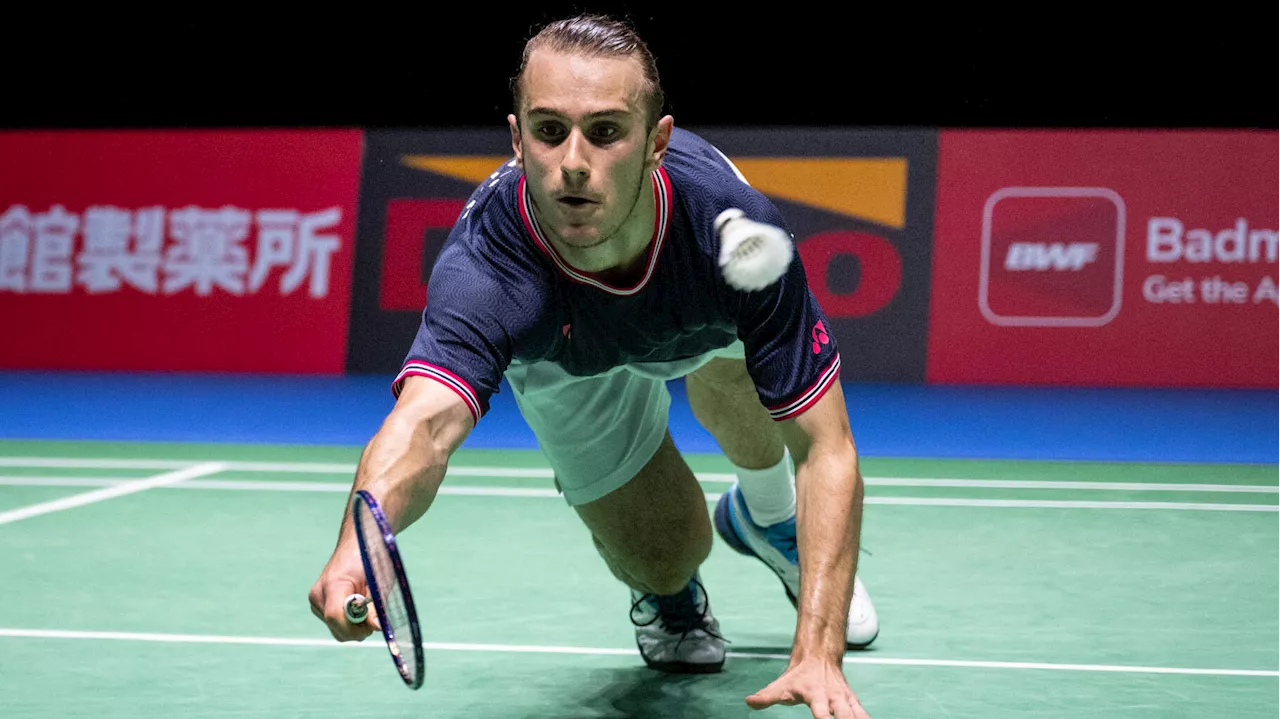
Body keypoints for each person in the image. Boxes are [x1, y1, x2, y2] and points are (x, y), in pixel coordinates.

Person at [309, 13, 877, 718]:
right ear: (518, 140)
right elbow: (423, 424)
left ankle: (768, 516)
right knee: (668, 547)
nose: (573, 161)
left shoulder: (735, 234)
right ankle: (669, 595)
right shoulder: (489, 265)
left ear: (655, 144)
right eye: (549, 131)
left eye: (605, 132)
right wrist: (361, 539)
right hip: (566, 358)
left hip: (695, 307)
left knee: (756, 388)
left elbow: (825, 446)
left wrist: (817, 653)